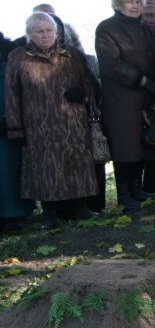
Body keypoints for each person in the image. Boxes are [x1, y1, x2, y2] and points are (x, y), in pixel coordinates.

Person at [4, 12, 99, 229]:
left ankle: (81, 210)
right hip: (38, 125)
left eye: (49, 30)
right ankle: (48, 215)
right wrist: (16, 128)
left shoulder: (72, 55)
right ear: (29, 34)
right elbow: (11, 95)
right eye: (39, 31)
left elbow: (92, 85)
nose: (45, 35)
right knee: (43, 169)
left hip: (72, 123)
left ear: (57, 32)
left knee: (78, 164)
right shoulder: (18, 57)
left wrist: (82, 92)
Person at [94, 0, 155, 211]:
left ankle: (137, 191)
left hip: (146, 100)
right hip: (121, 100)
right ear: (118, 3)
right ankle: (125, 195)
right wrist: (142, 80)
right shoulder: (107, 28)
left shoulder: (146, 29)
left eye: (138, 0)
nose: (136, 5)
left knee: (141, 147)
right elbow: (111, 64)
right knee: (124, 148)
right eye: (130, 1)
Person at [0, 32, 34, 233]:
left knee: (12, 172)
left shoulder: (11, 56)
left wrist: (13, 120)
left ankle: (15, 215)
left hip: (11, 125)